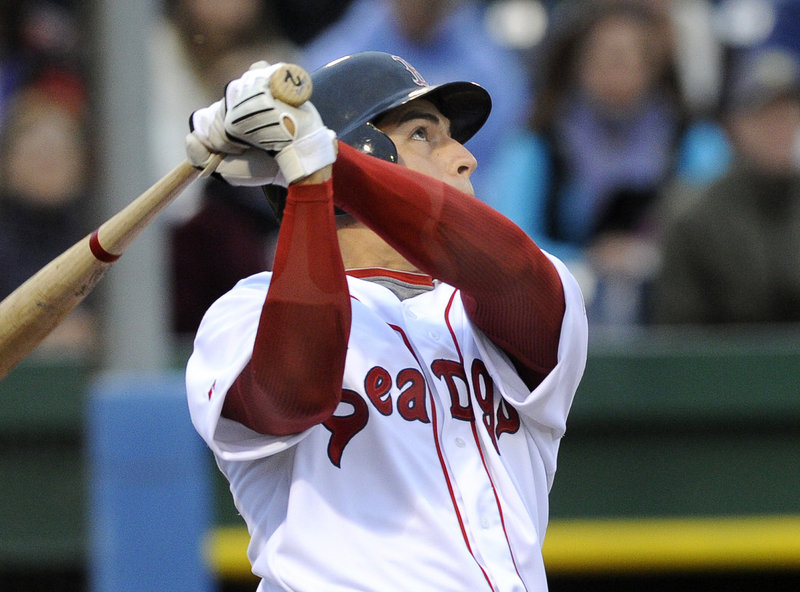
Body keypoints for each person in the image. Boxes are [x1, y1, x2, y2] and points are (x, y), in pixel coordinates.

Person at [183, 52, 587, 590]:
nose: (465, 157)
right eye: (424, 134)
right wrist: (312, 172)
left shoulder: (508, 289)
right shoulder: (246, 311)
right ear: (363, 148)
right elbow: (292, 393)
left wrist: (320, 156)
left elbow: (510, 270)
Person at [477, 0, 731, 326]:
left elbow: (717, 239)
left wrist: (648, 257)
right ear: (576, 64)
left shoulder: (696, 141)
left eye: (626, 58)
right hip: (563, 316)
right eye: (602, 57)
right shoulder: (537, 144)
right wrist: (586, 263)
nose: (614, 70)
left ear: (654, 66)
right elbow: (510, 238)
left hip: (677, 319)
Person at [652, 48, 800, 324]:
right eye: (764, 115)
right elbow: (678, 331)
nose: (778, 127)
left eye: (787, 113)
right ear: (735, 125)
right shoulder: (694, 214)